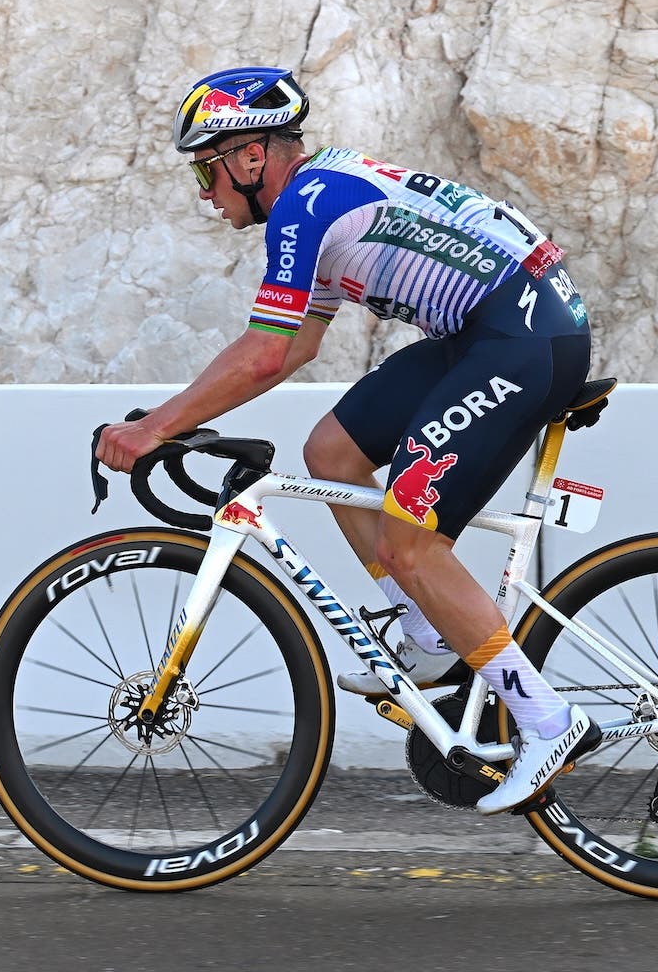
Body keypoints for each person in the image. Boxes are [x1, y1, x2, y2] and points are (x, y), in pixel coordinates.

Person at [94, 65, 599, 815]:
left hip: (520, 338)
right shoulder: (320, 198)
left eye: (207, 168)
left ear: (251, 157)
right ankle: (430, 632)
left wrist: (154, 428)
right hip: (495, 330)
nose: (205, 190)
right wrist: (174, 418)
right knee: (332, 451)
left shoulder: (305, 205)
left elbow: (266, 354)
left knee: (412, 541)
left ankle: (546, 718)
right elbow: (296, 345)